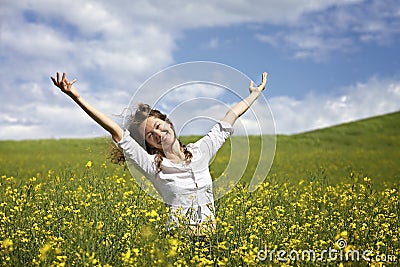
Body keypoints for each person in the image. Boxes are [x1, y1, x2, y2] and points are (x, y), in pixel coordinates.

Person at [51, 71, 268, 235]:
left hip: (212, 239)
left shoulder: (202, 150)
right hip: (179, 240)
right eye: (149, 135)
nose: (157, 132)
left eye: (157, 125)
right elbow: (116, 131)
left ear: (168, 123)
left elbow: (229, 117)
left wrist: (255, 95)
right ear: (150, 144)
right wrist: (76, 98)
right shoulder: (151, 165)